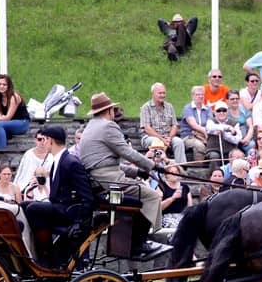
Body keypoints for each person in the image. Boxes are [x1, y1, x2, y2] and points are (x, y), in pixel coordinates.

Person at [78, 92, 167, 258]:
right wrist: (152, 166)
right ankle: (138, 244)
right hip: (108, 180)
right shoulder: (108, 126)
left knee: (141, 191)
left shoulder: (90, 127)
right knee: (151, 196)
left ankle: (134, 242)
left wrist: (137, 171)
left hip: (99, 179)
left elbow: (106, 162)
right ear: (109, 110)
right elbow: (127, 152)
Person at [21, 125, 94, 267]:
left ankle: (46, 256)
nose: (43, 143)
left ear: (50, 140)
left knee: (34, 208)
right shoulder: (58, 160)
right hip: (60, 207)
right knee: (24, 206)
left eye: (44, 140)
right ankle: (40, 253)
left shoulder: (70, 162)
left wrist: (79, 221)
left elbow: (87, 196)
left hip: (69, 212)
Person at [140, 82, 186, 164]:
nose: (162, 95)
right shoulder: (146, 107)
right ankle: (162, 167)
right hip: (150, 137)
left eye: (164, 93)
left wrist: (169, 138)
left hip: (167, 137)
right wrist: (162, 139)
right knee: (158, 142)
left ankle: (181, 166)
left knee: (179, 142)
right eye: (160, 93)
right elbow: (147, 129)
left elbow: (174, 125)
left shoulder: (169, 106)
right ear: (153, 94)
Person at [179, 85, 211, 162]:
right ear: (193, 96)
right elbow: (193, 125)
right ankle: (198, 167)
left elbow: (210, 123)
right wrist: (205, 132)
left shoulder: (207, 109)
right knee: (199, 146)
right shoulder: (187, 108)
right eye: (197, 94)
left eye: (202, 94)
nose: (200, 96)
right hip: (189, 136)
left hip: (204, 136)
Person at [158, 164, 193, 229]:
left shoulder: (185, 187)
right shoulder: (161, 187)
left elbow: (190, 206)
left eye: (176, 172)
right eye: (171, 172)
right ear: (166, 175)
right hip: (166, 217)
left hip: (182, 216)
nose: (174, 174)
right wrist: (172, 198)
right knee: (177, 227)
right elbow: (159, 208)